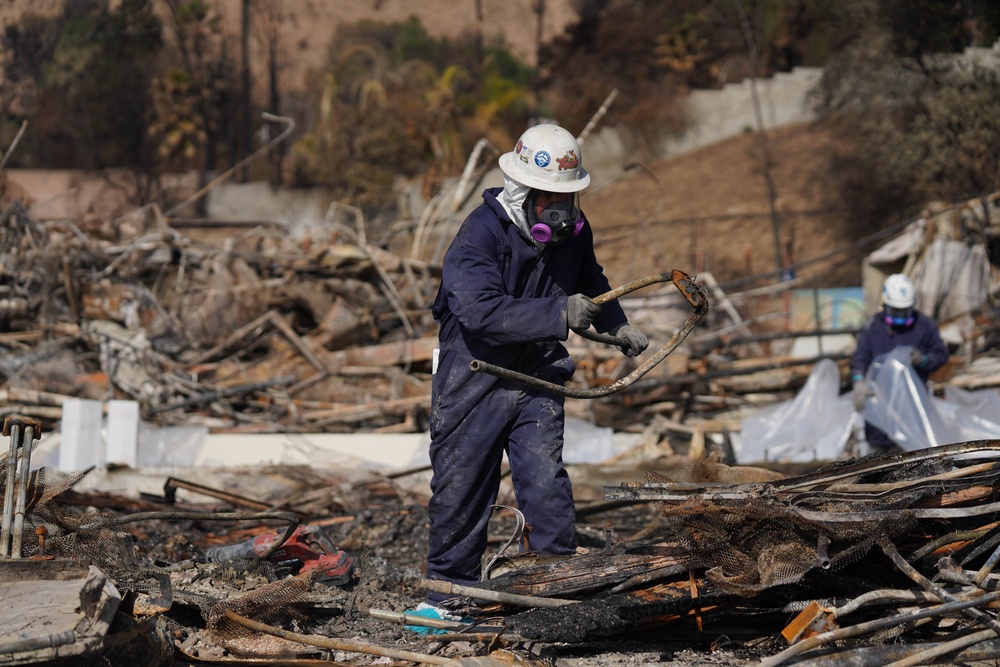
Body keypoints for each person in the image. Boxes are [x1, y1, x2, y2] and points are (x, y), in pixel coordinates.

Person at [418, 123, 648, 619]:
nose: (563, 213)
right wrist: (556, 314)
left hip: (538, 378)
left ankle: (552, 591)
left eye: (569, 200)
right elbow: (479, 310)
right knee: (462, 491)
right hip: (475, 379)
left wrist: (617, 326)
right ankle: (447, 598)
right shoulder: (478, 234)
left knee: (546, 487)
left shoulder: (572, 237)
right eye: (552, 201)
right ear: (524, 193)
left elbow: (591, 283)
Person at [850, 273, 949, 451]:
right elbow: (860, 357)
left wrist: (924, 360)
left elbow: (940, 354)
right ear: (885, 305)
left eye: (906, 311)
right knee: (879, 453)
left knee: (914, 450)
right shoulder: (873, 327)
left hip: (913, 404)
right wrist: (859, 381)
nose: (901, 316)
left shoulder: (924, 326)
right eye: (896, 311)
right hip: (880, 402)